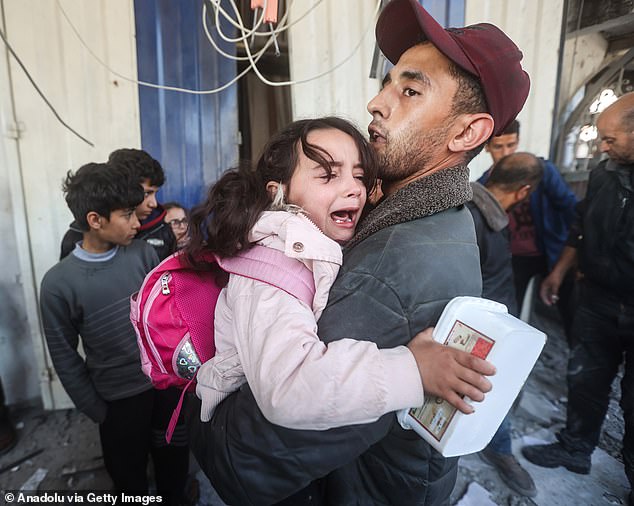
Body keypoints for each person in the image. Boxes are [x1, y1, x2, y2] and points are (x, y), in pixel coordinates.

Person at [186, 1, 530, 504]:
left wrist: (205, 442)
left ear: (466, 132)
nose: (376, 102)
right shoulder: (410, 212)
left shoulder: (398, 265)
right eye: (387, 84)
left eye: (410, 90)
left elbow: (265, 449)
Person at [192, 117, 434, 429]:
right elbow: (289, 388)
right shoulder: (274, 266)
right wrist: (414, 371)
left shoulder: (312, 247)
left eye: (360, 177)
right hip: (241, 435)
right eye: (328, 176)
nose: (354, 190)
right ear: (278, 193)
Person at [40, 162, 189, 504]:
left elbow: (167, 316)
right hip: (117, 401)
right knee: (128, 474)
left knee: (173, 459)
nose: (138, 223)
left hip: (164, 386)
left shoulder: (143, 254)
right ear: (95, 220)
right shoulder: (58, 284)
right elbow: (64, 354)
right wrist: (96, 409)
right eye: (127, 215)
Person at [523, 92, 634, 505]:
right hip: (597, 300)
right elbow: (580, 226)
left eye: (610, 139)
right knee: (584, 379)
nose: (602, 148)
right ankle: (575, 449)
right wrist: (558, 272)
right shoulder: (605, 174)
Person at [468, 152, 543, 498]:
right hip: (480, 329)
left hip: (492, 323)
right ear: (524, 190)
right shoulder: (476, 217)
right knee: (497, 388)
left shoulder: (481, 208)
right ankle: (499, 450)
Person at [479, 120, 577, 335]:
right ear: (486, 147)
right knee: (507, 314)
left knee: (573, 315)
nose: (506, 153)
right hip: (514, 259)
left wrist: (570, 257)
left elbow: (573, 212)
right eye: (498, 146)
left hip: (550, 251)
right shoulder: (484, 185)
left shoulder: (540, 171)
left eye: (511, 145)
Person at [59, 149, 177, 261]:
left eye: (155, 193)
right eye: (146, 193)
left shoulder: (162, 231)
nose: (154, 204)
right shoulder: (76, 239)